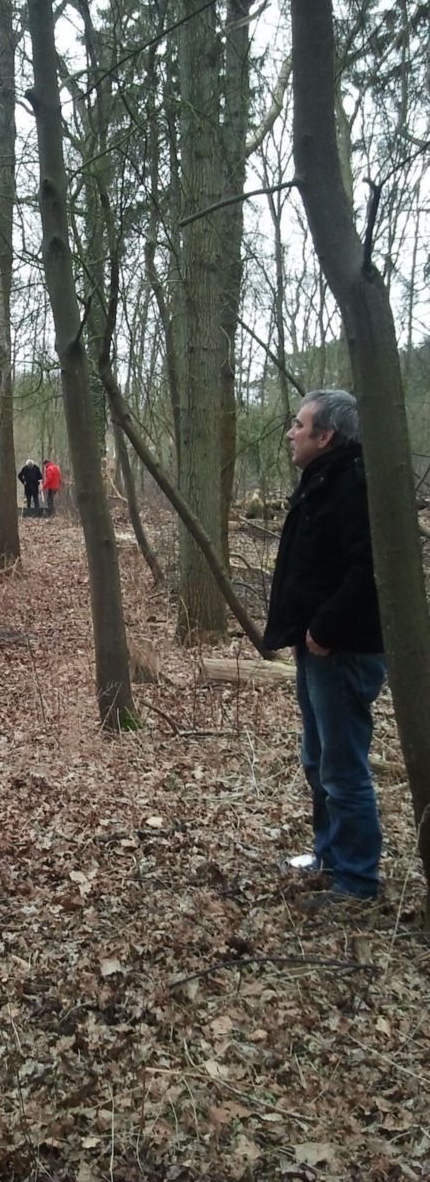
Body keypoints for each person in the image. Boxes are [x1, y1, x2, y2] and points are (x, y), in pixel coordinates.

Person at [263, 390, 384, 910]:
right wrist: (300, 634)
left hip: (344, 651)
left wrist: (325, 629)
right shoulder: (321, 481)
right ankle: (328, 856)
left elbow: (367, 569)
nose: (291, 433)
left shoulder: (352, 485)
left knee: (342, 769)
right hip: (316, 649)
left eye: (299, 424)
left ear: (325, 435)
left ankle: (355, 883)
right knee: (317, 760)